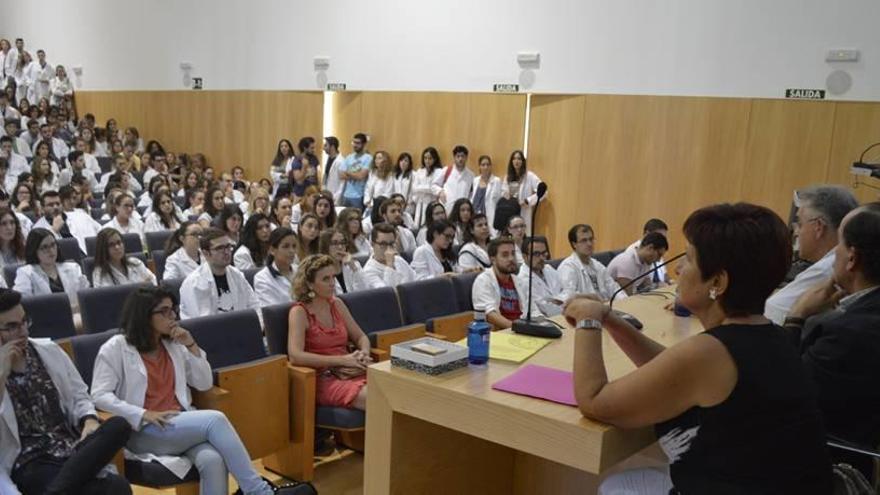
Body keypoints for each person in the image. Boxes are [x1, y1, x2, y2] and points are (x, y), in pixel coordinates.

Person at [566, 202, 832, 494]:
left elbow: (593, 400)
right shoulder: (770, 336)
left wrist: (588, 320)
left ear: (717, 282)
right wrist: (611, 319)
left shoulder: (708, 354)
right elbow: (672, 369)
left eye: (689, 259)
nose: (678, 269)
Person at [91, 286, 300, 495]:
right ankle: (259, 491)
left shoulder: (172, 344)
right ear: (144, 315)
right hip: (142, 430)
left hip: (180, 424)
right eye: (164, 311)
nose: (172, 316)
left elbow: (204, 383)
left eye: (173, 310)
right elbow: (99, 395)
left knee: (213, 460)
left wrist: (191, 345)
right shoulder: (116, 347)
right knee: (215, 420)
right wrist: (143, 413)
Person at [0, 288, 133, 495]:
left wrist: (89, 419)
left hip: (70, 448)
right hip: (30, 463)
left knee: (119, 425)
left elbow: (80, 394)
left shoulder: (48, 351)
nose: (24, 331)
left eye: (25, 321)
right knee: (117, 487)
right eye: (12, 327)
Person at [783, 202, 880, 480]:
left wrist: (797, 316)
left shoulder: (852, 333)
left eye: (838, 244)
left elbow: (783, 396)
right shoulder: (859, 317)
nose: (833, 253)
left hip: (823, 468)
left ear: (851, 259)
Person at [287, 254, 371, 410]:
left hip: (351, 369)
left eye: (333, 277)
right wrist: (341, 360)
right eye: (326, 279)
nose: (333, 283)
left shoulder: (337, 304)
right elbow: (295, 356)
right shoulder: (299, 312)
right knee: (379, 399)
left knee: (395, 389)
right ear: (310, 284)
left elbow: (360, 337)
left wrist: (363, 354)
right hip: (323, 378)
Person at [765, 185, 858, 325]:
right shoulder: (836, 262)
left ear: (818, 227)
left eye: (800, 224)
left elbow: (773, 313)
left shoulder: (829, 268)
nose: (796, 232)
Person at [178, 228, 258, 319]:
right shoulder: (193, 283)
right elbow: (202, 321)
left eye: (228, 246)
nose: (227, 252)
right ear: (206, 253)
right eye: (220, 248)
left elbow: (254, 305)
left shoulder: (237, 275)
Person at [472, 238, 542, 329]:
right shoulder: (483, 281)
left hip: (522, 329)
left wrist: (541, 326)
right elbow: (490, 315)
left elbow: (533, 310)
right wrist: (519, 328)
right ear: (493, 259)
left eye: (513, 254)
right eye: (505, 255)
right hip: (502, 333)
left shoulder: (518, 281)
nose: (511, 259)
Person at [13, 228, 90, 307]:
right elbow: (23, 303)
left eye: (53, 245)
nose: (51, 250)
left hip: (76, 316)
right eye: (45, 247)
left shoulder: (73, 268)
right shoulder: (25, 273)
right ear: (34, 250)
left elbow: (86, 297)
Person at [557, 224, 624, 302]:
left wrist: (625, 302)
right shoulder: (568, 267)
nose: (589, 244)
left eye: (591, 239)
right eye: (584, 240)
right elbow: (569, 297)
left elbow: (614, 289)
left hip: (605, 307)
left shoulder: (598, 265)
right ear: (574, 244)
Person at [32, 190, 101, 254]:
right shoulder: (37, 228)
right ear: (42, 208)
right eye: (50, 205)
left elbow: (101, 231)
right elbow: (42, 252)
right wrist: (53, 231)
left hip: (91, 257)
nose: (55, 207)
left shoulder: (81, 215)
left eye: (58, 204)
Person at [516, 235, 565, 318]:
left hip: (565, 317)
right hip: (549, 321)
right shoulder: (522, 280)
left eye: (544, 253)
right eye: (536, 254)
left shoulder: (549, 269)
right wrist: (563, 302)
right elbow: (546, 310)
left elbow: (567, 292)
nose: (542, 258)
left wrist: (557, 301)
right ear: (524, 257)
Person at [92, 228, 156, 287]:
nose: (117, 247)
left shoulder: (136, 263)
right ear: (103, 249)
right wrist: (142, 286)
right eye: (111, 245)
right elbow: (104, 297)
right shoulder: (99, 273)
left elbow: (154, 282)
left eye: (119, 242)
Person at [362, 222, 416, 289]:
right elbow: (388, 294)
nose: (388, 249)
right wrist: (390, 266)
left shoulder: (398, 260)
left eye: (391, 244)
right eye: (383, 244)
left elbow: (415, 278)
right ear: (373, 244)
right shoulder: (369, 272)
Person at [253, 227, 299, 307]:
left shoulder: (300, 270)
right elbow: (272, 311)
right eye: (286, 246)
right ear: (272, 250)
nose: (292, 251)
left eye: (294, 246)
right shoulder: (262, 278)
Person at [503, 150, 543, 233]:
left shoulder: (530, 176)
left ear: (523, 161)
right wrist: (507, 195)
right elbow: (503, 192)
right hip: (510, 212)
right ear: (511, 162)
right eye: (514, 159)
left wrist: (528, 201)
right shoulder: (508, 177)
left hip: (523, 212)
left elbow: (543, 191)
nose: (516, 161)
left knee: (522, 237)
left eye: (519, 159)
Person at [318, 229, 368, 294]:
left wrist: (354, 268)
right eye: (335, 243)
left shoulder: (353, 264)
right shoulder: (320, 271)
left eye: (342, 242)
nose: (340, 247)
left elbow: (364, 292)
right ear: (325, 247)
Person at [338, 133, 372, 210]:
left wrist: (348, 172)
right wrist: (355, 175)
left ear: (364, 144)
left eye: (358, 143)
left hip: (359, 195)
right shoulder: (349, 157)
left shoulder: (368, 158)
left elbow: (361, 176)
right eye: (354, 142)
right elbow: (341, 175)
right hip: (346, 194)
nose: (355, 145)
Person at [411, 147, 444, 227]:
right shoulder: (420, 171)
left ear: (435, 159)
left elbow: (434, 188)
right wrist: (427, 188)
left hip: (432, 202)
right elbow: (414, 188)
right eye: (425, 158)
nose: (427, 161)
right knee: (417, 225)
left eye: (430, 158)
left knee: (429, 225)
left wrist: (422, 188)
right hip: (420, 203)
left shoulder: (439, 171)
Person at [470, 155, 502, 236]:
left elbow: (498, 201)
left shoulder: (496, 181)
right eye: (483, 165)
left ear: (491, 166)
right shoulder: (475, 180)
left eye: (488, 165)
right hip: (475, 216)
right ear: (479, 167)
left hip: (489, 216)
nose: (486, 167)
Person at [441, 145, 474, 213]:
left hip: (462, 210)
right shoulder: (447, 170)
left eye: (463, 156)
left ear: (466, 158)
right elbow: (434, 185)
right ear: (454, 157)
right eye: (458, 156)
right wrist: (440, 192)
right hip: (446, 206)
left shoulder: (471, 175)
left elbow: (472, 193)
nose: (460, 159)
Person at [321, 136, 344, 202]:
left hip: (335, 196)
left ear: (332, 147)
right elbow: (326, 176)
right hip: (327, 193)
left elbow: (342, 183)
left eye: (325, 145)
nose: (323, 148)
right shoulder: (329, 159)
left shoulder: (340, 162)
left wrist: (336, 197)